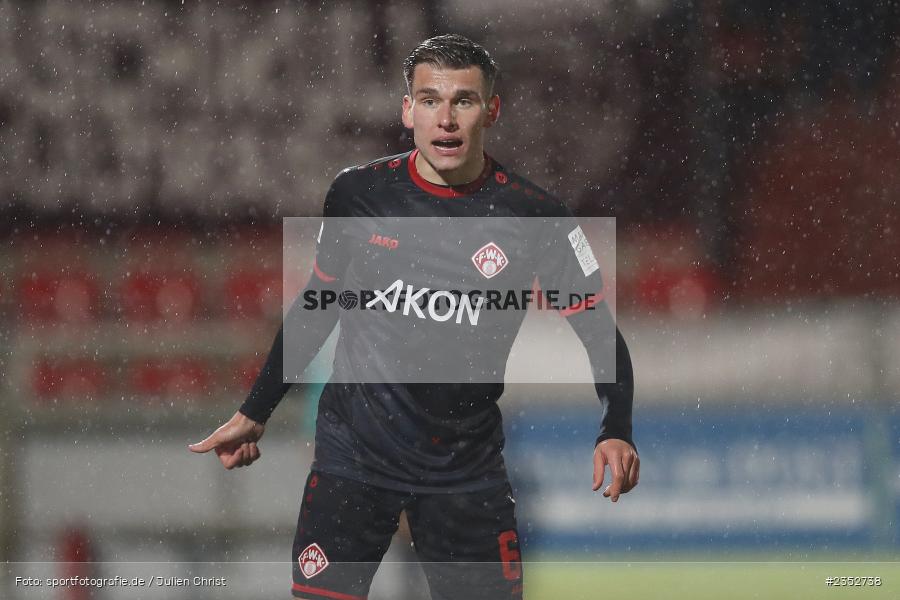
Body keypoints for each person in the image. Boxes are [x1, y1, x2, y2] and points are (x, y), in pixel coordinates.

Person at [190, 34, 639, 600]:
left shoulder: (535, 216)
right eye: (430, 100)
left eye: (464, 101)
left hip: (464, 469)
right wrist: (256, 410)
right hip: (354, 457)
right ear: (408, 110)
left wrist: (616, 428)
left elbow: (598, 329)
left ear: (491, 110)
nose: (445, 119)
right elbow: (317, 305)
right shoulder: (359, 194)